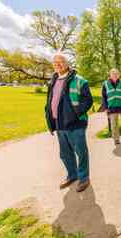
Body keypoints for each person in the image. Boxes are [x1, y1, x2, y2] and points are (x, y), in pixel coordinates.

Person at [45, 52, 93, 192]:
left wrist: (76, 113)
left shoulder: (79, 80)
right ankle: (72, 175)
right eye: (55, 62)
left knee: (81, 152)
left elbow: (88, 100)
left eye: (60, 61)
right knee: (65, 154)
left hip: (75, 123)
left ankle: (84, 178)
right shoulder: (53, 80)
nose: (57, 64)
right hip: (59, 123)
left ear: (67, 64)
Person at [101, 68, 121, 145]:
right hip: (111, 108)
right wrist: (105, 108)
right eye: (113, 74)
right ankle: (116, 139)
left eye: (116, 74)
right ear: (110, 75)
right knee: (114, 125)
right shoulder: (105, 84)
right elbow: (104, 97)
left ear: (119, 75)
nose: (115, 75)